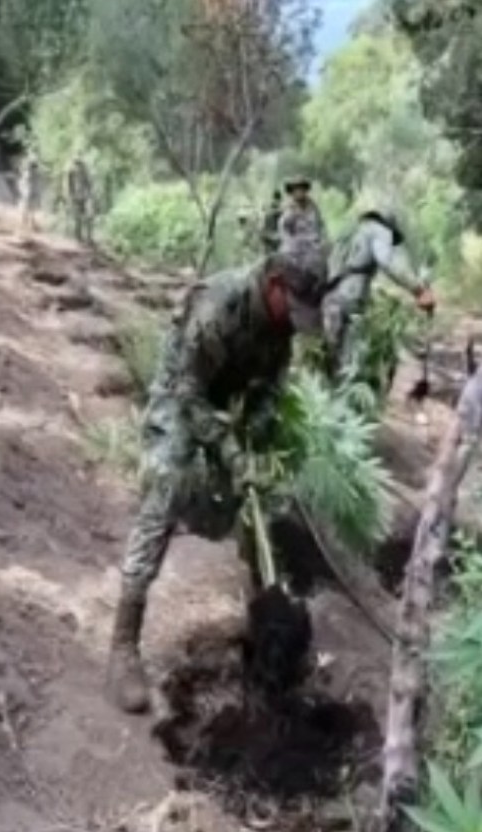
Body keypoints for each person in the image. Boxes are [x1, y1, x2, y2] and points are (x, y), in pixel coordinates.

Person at [106, 249, 328, 715]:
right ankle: (123, 645)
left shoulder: (282, 325)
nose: (295, 324)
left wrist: (256, 434)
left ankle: (267, 628)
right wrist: (229, 450)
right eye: (294, 309)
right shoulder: (218, 307)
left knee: (262, 498)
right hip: (183, 394)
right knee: (168, 484)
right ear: (275, 285)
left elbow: (271, 389)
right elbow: (189, 394)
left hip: (229, 399)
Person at [322, 208, 435, 381]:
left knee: (330, 355)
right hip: (351, 296)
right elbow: (388, 263)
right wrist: (418, 289)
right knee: (348, 360)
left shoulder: (352, 229)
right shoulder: (378, 230)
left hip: (330, 295)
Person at [278, 176, 325, 255]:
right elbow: (284, 230)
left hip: (312, 243)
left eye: (301, 189)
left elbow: (319, 226)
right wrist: (291, 243)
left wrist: (320, 239)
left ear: (305, 191)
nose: (299, 192)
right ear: (292, 192)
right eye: (296, 189)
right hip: (293, 245)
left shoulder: (313, 208)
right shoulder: (288, 209)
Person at [66, 157, 94, 245]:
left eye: (79, 164)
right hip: (77, 197)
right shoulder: (71, 173)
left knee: (88, 216)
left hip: (85, 196)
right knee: (78, 217)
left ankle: (88, 237)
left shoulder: (85, 173)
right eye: (77, 164)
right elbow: (69, 186)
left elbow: (89, 184)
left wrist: (90, 194)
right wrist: (71, 196)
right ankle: (79, 237)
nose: (78, 167)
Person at [260, 188, 283, 253]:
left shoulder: (282, 212)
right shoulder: (269, 214)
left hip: (277, 240)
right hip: (271, 241)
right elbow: (263, 232)